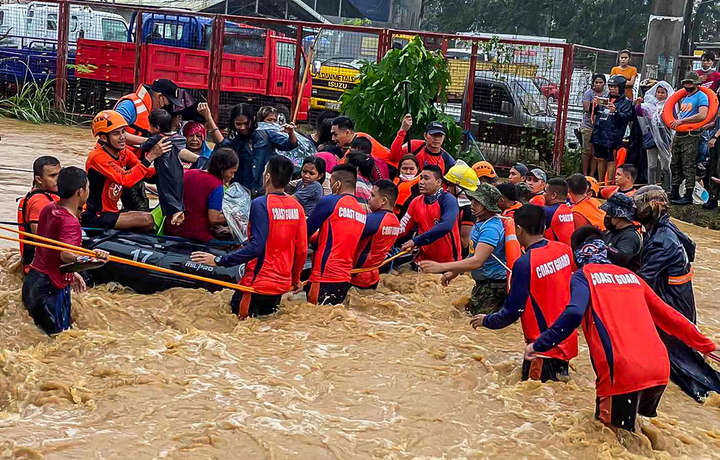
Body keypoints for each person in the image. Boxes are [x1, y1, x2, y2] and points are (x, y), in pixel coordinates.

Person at [526, 226, 719, 433]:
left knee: (608, 439)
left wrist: (540, 344)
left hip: (622, 371)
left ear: (577, 256)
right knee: (628, 437)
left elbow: (573, 314)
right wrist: (707, 345)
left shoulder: (583, 277)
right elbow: (671, 318)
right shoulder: (632, 277)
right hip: (659, 369)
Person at [191, 156, 307, 318]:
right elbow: (301, 250)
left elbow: (256, 247)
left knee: (234, 327)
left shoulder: (260, 204)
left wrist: (219, 261)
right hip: (280, 286)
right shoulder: (298, 207)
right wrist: (295, 279)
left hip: (256, 284)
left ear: (267, 177)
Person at [472, 204, 577, 382]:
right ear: (544, 227)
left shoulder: (524, 263)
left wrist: (486, 320)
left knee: (534, 400)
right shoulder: (564, 250)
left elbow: (513, 311)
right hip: (565, 339)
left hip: (541, 347)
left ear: (518, 229)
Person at [633, 186, 720, 401]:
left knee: (684, 366)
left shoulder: (663, 240)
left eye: (639, 206)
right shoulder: (665, 228)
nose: (635, 211)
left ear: (651, 208)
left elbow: (642, 282)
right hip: (679, 298)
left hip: (672, 304)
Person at [22, 167, 109, 334]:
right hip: (50, 289)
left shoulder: (49, 207)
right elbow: (67, 256)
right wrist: (95, 261)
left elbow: (50, 250)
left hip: (33, 281)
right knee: (59, 341)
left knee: (38, 337)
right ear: (80, 192)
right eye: (88, 187)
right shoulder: (71, 222)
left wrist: (72, 274)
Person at [419, 183, 507, 315]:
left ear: (488, 206)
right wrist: (454, 272)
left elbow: (478, 261)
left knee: (481, 327)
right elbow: (473, 254)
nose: (472, 204)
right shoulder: (481, 222)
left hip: (494, 287)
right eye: (472, 200)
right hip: (485, 284)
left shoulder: (491, 229)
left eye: (478, 201)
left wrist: (442, 267)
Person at [83, 110, 170, 231]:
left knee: (148, 215)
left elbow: (146, 174)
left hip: (111, 212)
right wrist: (150, 156)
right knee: (147, 220)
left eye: (123, 132)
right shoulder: (97, 157)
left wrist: (173, 172)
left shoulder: (124, 153)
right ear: (103, 137)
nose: (122, 137)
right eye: (116, 134)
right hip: (96, 216)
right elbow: (126, 179)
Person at [305, 164, 367, 305]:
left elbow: (306, 231)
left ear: (337, 184)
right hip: (345, 278)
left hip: (324, 276)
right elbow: (339, 237)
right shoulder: (361, 212)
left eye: (331, 182)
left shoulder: (330, 201)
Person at [215, 103, 298, 195]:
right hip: (241, 192)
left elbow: (290, 145)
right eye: (238, 124)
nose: (242, 127)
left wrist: (291, 133)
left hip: (263, 190)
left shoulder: (266, 135)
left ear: (253, 120)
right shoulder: (231, 142)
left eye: (246, 123)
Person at [166, 148, 239, 242]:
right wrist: (234, 216)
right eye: (231, 172)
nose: (232, 176)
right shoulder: (216, 186)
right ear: (222, 169)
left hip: (172, 228)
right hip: (196, 235)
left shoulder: (188, 173)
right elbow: (214, 218)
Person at [399, 165, 461, 264]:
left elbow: (446, 226)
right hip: (423, 262)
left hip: (448, 264)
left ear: (439, 182)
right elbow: (402, 229)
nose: (421, 182)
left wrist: (416, 241)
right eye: (421, 178)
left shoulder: (448, 200)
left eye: (426, 178)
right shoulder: (415, 202)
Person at [669, 73, 710, 205]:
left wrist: (682, 121)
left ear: (697, 84)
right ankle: (674, 190)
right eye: (686, 83)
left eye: (690, 83)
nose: (687, 85)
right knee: (675, 162)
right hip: (679, 134)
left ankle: (688, 194)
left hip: (691, 134)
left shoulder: (701, 97)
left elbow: (702, 115)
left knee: (688, 164)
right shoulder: (685, 98)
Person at [351, 180, 401, 289]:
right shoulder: (395, 221)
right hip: (374, 275)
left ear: (383, 200)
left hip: (357, 275)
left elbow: (347, 237)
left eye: (373, 195)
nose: (369, 198)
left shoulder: (373, 219)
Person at [141, 109, 186, 227]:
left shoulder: (157, 138)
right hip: (178, 170)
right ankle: (179, 210)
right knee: (177, 191)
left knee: (165, 192)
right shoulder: (178, 137)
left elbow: (143, 147)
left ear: (156, 127)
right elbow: (183, 142)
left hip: (164, 171)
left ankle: (175, 213)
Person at [18, 156, 61, 271]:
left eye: (59, 174)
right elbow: (41, 239)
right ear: (39, 179)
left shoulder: (48, 195)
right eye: (52, 176)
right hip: (38, 268)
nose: (58, 179)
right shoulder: (39, 201)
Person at [114, 78, 182, 149]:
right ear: (159, 96)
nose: (167, 106)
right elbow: (114, 132)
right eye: (169, 102)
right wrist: (149, 141)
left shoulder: (150, 109)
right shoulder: (130, 105)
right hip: (119, 156)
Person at [590, 75, 633, 185]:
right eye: (610, 86)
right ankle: (600, 183)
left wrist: (616, 111)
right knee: (600, 158)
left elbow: (627, 117)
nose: (612, 89)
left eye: (615, 87)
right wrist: (593, 105)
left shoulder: (626, 102)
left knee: (611, 160)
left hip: (613, 135)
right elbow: (594, 113)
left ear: (621, 87)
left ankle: (608, 184)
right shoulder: (604, 99)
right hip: (599, 133)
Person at [634, 81, 674, 191]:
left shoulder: (670, 106)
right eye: (658, 92)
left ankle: (668, 187)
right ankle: (650, 187)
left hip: (665, 139)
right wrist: (638, 103)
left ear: (667, 94)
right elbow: (639, 112)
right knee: (651, 166)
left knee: (665, 166)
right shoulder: (650, 106)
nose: (660, 95)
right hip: (651, 139)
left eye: (662, 92)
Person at [390, 116, 456, 174]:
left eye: (440, 136)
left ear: (444, 137)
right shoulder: (414, 145)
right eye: (433, 135)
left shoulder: (448, 160)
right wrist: (403, 130)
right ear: (425, 135)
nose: (436, 139)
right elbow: (394, 157)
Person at [444, 160, 479, 257]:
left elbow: (465, 242)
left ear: (460, 188)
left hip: (459, 258)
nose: (447, 189)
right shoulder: (458, 205)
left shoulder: (468, 209)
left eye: (450, 185)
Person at [600, 193, 641, 271]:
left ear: (619, 216)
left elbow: (622, 258)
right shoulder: (611, 232)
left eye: (609, 213)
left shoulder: (630, 236)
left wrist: (603, 247)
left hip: (626, 279)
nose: (607, 216)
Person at [581, 74, 608, 176]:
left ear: (604, 84)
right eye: (596, 82)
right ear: (593, 83)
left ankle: (591, 175)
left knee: (595, 152)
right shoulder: (588, 93)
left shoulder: (607, 94)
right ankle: (584, 174)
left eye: (600, 82)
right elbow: (586, 108)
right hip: (588, 125)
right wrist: (594, 105)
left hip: (600, 126)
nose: (598, 84)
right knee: (586, 150)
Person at [543, 177, 574, 246]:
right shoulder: (569, 208)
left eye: (545, 191)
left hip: (555, 252)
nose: (543, 194)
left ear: (554, 195)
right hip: (567, 252)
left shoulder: (548, 211)